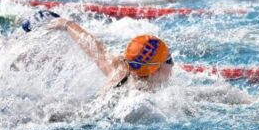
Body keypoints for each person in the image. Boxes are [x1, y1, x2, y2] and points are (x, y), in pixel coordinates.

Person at [47, 20, 175, 91]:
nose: (173, 64)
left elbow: (93, 46)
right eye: (169, 59)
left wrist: (68, 24)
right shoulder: (139, 95)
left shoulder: (119, 69)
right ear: (155, 69)